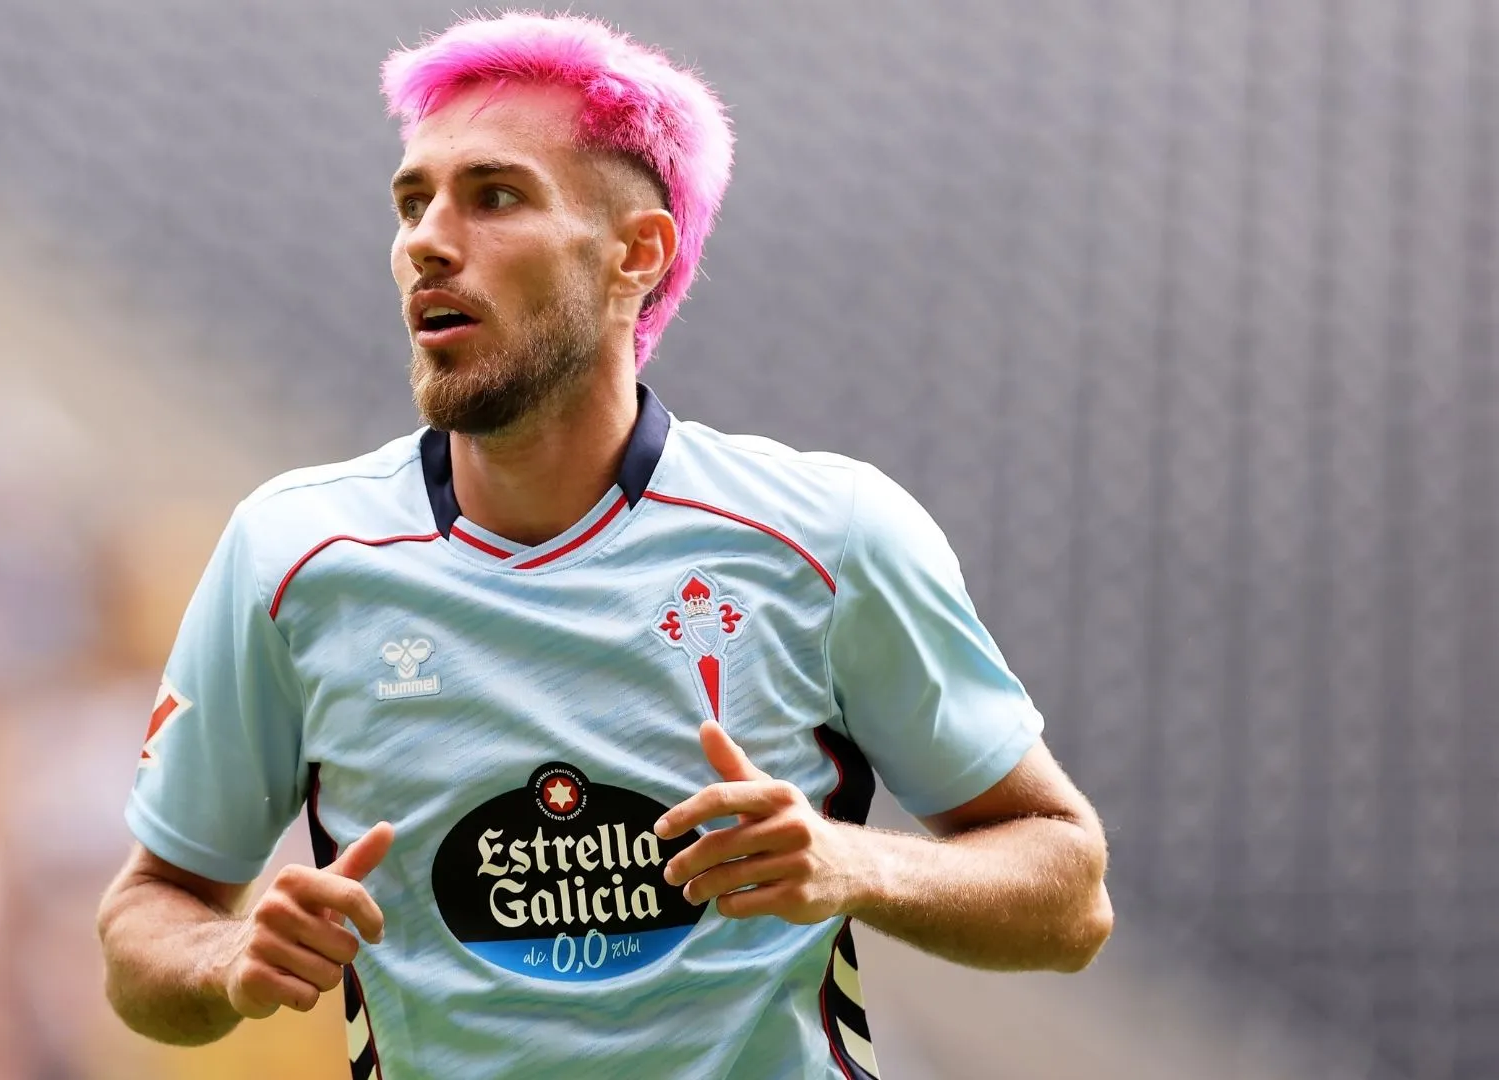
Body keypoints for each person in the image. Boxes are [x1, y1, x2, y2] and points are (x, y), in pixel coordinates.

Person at [97, 12, 1112, 1079]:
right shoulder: (291, 553)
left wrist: (852, 864)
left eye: (495, 195)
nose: (428, 240)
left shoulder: (829, 535)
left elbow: (1069, 892)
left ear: (638, 254)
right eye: (412, 201)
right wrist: (225, 960)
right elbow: (148, 919)